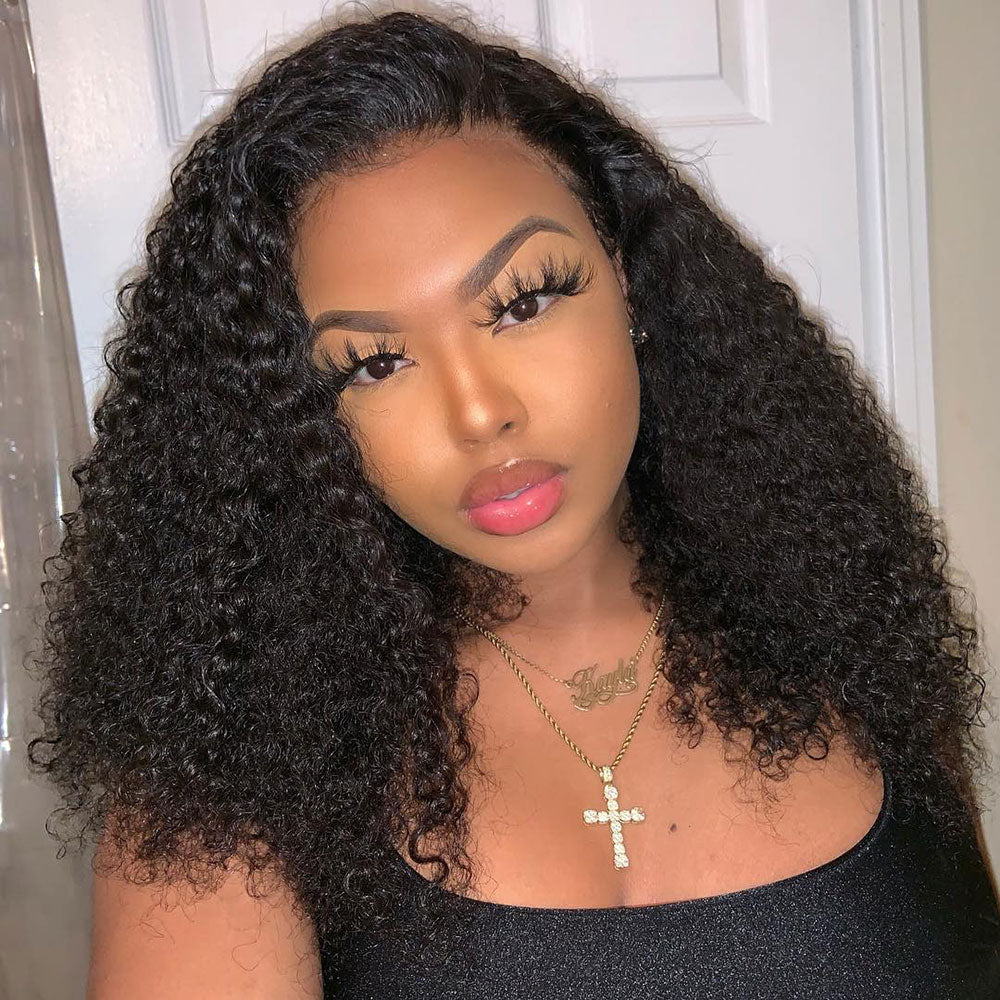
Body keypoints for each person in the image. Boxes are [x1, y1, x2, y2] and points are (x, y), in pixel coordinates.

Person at [26, 7, 1000, 998]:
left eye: (523, 302)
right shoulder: (231, 762)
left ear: (625, 276)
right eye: (374, 362)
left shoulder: (849, 632)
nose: (479, 412)